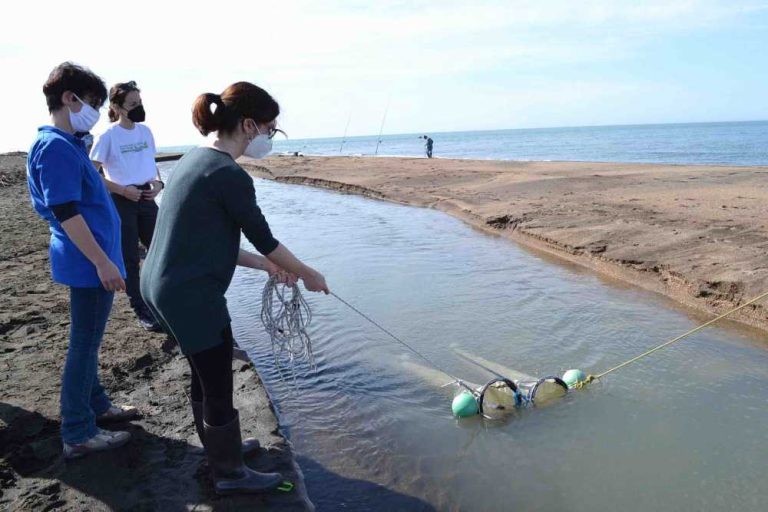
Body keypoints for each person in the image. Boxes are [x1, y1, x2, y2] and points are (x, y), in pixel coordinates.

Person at [141, 81, 329, 495]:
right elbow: (265, 237)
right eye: (270, 129)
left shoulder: (194, 160)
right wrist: (309, 273)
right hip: (189, 294)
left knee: (202, 370)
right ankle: (229, 472)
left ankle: (217, 447)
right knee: (217, 378)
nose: (270, 138)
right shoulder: (229, 174)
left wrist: (266, 266)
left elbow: (210, 238)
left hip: (160, 286)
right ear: (248, 125)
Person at [26, 62, 138, 460]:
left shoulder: (68, 143)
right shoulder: (55, 146)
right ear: (69, 99)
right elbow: (65, 212)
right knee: (84, 344)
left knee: (88, 339)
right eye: (92, 102)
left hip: (92, 260)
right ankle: (77, 431)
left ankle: (97, 405)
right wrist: (102, 263)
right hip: (87, 263)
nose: (95, 110)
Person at [91, 81, 162, 332]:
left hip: (147, 198)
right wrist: (122, 190)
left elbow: (151, 164)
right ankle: (140, 308)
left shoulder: (145, 132)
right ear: (117, 107)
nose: (138, 108)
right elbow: (93, 175)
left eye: (140, 103)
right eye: (133, 104)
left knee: (161, 251)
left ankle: (160, 300)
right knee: (130, 258)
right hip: (122, 202)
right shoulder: (107, 136)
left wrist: (158, 184)